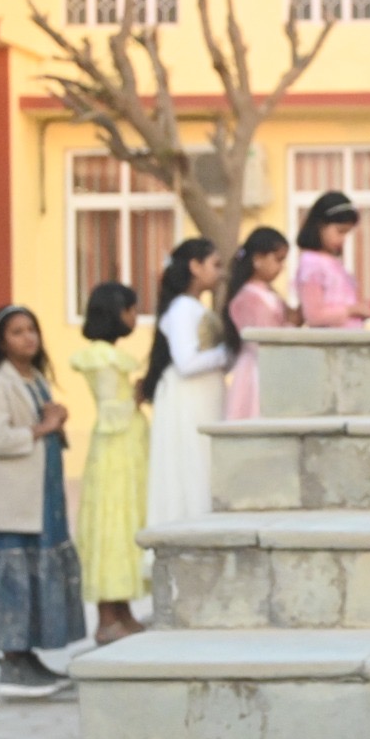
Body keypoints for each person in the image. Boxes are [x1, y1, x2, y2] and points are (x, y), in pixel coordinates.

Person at [0, 305, 82, 699]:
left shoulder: (34, 379)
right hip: (12, 500)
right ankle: (13, 662)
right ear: (1, 342)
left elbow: (42, 429)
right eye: (17, 332)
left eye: (32, 329)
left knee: (36, 572)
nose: (28, 337)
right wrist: (43, 427)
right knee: (13, 576)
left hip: (41, 496)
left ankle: (28, 657)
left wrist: (55, 421)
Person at [71, 282, 149, 645]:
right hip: (114, 451)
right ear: (116, 313)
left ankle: (123, 609)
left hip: (126, 450)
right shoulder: (101, 357)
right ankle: (106, 617)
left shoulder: (111, 355)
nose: (135, 317)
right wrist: (136, 396)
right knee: (111, 525)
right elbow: (110, 412)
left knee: (126, 522)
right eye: (131, 310)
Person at [142, 239, 228, 526]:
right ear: (195, 266)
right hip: (188, 398)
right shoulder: (182, 308)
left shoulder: (192, 307)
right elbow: (186, 362)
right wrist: (227, 352)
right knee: (190, 462)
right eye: (215, 265)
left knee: (202, 461)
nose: (220, 273)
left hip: (201, 395)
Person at [224, 226, 298, 420]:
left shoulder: (269, 293)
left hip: (273, 366)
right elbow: (262, 339)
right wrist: (290, 325)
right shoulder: (247, 298)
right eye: (278, 259)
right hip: (257, 370)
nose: (281, 267)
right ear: (258, 259)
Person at [294, 191, 370, 328]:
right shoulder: (312, 263)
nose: (343, 239)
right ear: (320, 225)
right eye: (340, 231)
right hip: (330, 341)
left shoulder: (332, 262)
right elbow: (313, 316)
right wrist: (352, 311)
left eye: (346, 233)